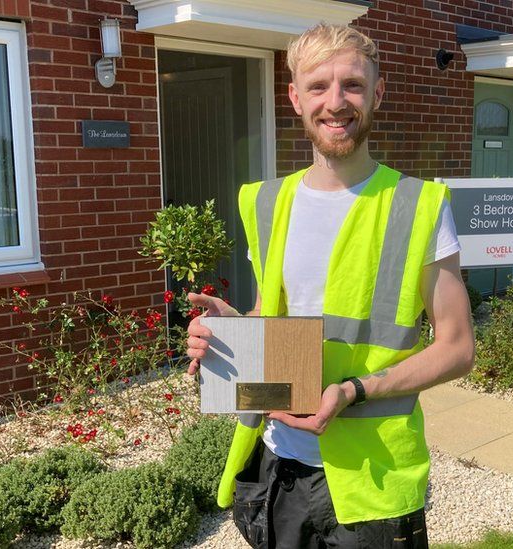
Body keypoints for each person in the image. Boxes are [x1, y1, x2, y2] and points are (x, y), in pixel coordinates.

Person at [185, 23, 474, 548]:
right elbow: (273, 318)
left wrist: (353, 391)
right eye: (318, 86)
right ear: (295, 97)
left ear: (377, 93)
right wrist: (231, 332)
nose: (335, 102)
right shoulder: (263, 202)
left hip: (375, 481)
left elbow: (457, 349)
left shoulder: (421, 206)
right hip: (278, 464)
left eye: (353, 85)